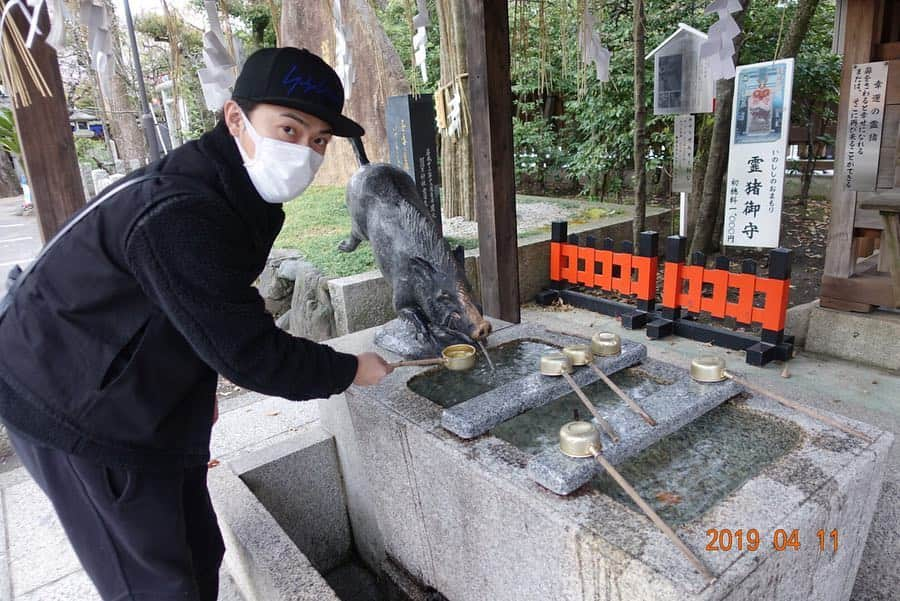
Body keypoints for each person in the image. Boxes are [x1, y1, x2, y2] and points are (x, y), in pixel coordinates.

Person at [0, 46, 393, 601]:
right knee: (155, 579)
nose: (304, 151)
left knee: (199, 547)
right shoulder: (182, 210)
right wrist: (352, 368)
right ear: (236, 118)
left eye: (319, 140)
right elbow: (250, 355)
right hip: (70, 401)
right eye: (289, 128)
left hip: (125, 371)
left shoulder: (229, 184)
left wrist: (195, 387)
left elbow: (203, 307)